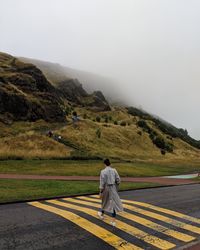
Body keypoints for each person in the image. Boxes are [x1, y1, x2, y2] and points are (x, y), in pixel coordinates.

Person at [98, 159, 123, 226]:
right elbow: (118, 180)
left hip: (106, 188)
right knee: (113, 203)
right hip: (113, 187)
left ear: (104, 164)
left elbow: (102, 182)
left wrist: (101, 191)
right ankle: (113, 221)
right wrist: (116, 187)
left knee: (104, 201)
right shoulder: (114, 170)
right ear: (110, 163)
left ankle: (102, 214)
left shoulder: (103, 171)